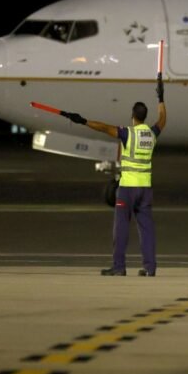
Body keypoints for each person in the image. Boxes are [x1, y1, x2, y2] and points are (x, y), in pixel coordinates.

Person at [59, 74, 166, 276]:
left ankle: (119, 267)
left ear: (133, 116)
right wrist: (161, 98)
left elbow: (103, 127)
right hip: (145, 188)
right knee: (147, 229)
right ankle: (150, 268)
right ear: (144, 116)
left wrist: (83, 121)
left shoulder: (128, 133)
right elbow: (163, 120)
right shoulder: (152, 133)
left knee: (121, 228)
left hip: (127, 189)